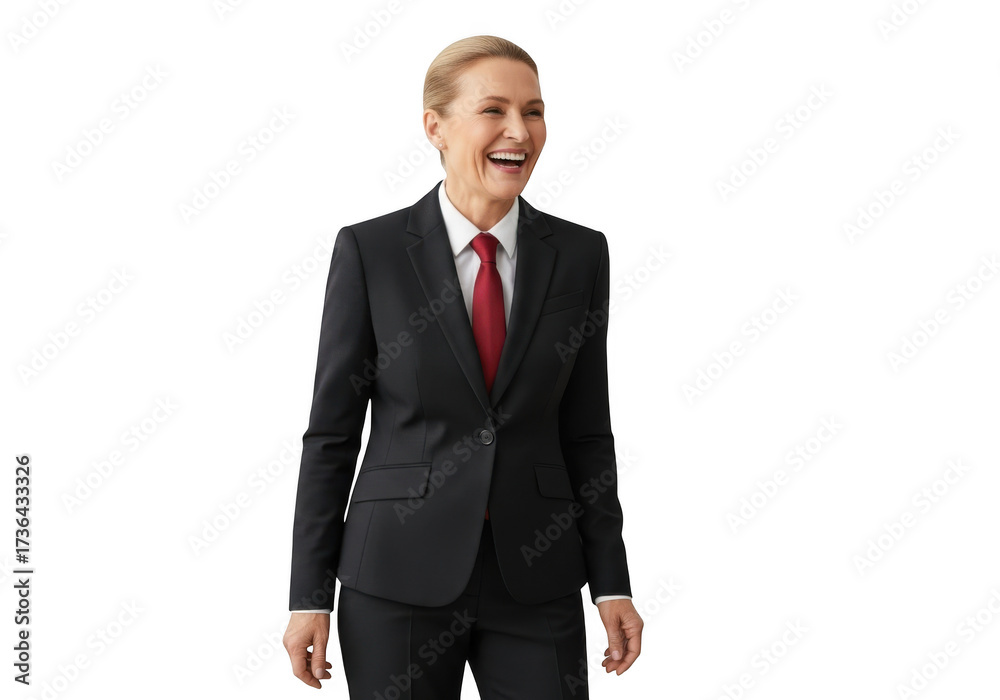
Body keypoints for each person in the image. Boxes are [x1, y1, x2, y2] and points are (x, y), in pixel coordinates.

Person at [283, 34, 642, 699]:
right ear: (435, 128)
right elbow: (331, 434)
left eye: (534, 111)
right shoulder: (371, 251)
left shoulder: (580, 255)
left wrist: (611, 581)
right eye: (494, 110)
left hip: (536, 575)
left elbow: (586, 432)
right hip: (395, 577)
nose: (520, 132)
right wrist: (309, 594)